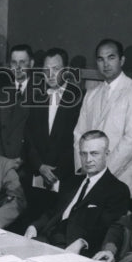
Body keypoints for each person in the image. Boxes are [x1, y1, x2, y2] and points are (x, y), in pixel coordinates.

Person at [24, 131, 130, 255]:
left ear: (106, 154)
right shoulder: (72, 181)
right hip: (46, 239)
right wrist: (35, 226)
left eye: (94, 154)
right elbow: (53, 212)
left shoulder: (117, 189)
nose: (88, 160)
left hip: (74, 248)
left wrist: (82, 242)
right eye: (83, 154)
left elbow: (107, 228)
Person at [72, 38, 132, 200]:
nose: (106, 64)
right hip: (88, 178)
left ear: (121, 60)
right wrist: (83, 168)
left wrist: (101, 174)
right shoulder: (92, 94)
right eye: (101, 59)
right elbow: (79, 133)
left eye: (111, 57)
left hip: (121, 179)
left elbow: (131, 141)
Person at [21, 47, 83, 215]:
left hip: (65, 177)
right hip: (37, 174)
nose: (51, 74)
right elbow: (28, 136)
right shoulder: (37, 95)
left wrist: (56, 172)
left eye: (56, 69)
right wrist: (40, 166)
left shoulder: (79, 98)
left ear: (67, 70)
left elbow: (77, 141)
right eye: (46, 69)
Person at [0, 42, 33, 161]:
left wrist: (22, 159)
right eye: (14, 62)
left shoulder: (40, 94)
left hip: (27, 162)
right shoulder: (3, 93)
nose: (17, 67)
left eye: (22, 62)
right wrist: (2, 159)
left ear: (31, 64)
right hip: (3, 161)